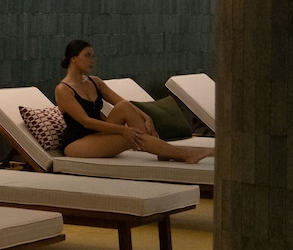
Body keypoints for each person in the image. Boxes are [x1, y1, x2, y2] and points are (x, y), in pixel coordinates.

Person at [54, 39, 214, 164]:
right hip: (78, 142)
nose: (92, 60)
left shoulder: (95, 82)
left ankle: (165, 151)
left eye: (93, 56)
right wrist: (123, 130)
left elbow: (123, 102)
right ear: (73, 58)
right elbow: (86, 122)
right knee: (131, 137)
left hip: (98, 135)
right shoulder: (63, 89)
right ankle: (186, 154)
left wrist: (146, 117)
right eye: (87, 55)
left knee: (124, 106)